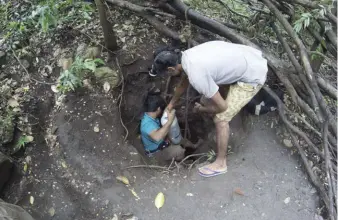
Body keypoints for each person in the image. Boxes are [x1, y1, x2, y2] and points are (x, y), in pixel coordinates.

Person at [149, 41, 268, 177]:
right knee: (208, 99)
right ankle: (222, 101)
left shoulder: (198, 76)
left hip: (252, 74)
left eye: (167, 74)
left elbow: (222, 107)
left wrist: (203, 110)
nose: (169, 76)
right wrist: (171, 105)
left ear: (171, 69)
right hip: (248, 57)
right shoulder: (187, 57)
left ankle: (220, 163)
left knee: (221, 118)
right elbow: (183, 82)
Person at [140, 92, 186, 161]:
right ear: (158, 109)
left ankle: (194, 146)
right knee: (179, 150)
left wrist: (170, 106)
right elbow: (157, 137)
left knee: (181, 139)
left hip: (161, 143)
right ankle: (181, 164)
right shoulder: (146, 125)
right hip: (156, 152)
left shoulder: (150, 115)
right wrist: (170, 121)